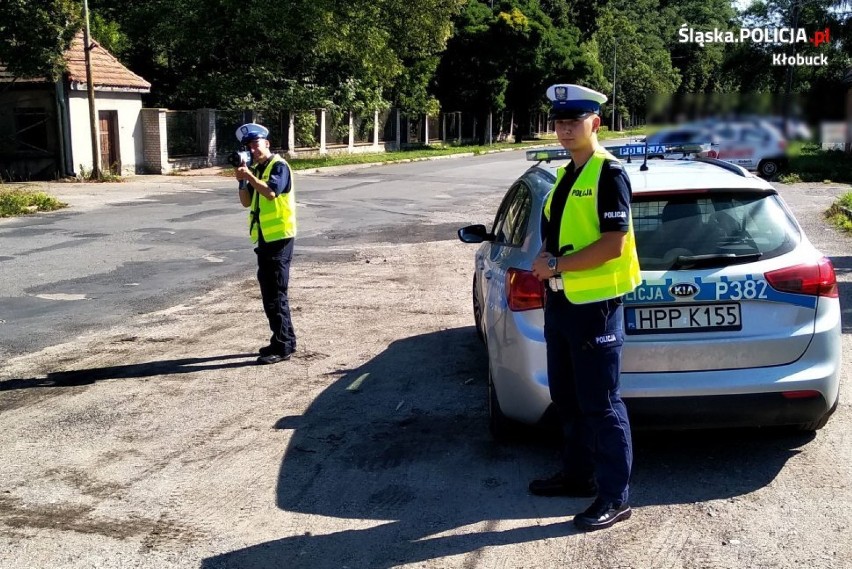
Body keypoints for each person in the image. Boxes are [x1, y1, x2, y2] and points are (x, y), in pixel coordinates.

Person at [528, 84, 642, 531]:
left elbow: (613, 245)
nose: (564, 128)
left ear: (596, 123)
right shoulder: (566, 175)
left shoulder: (608, 173)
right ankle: (577, 476)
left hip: (595, 307)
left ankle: (615, 497)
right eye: (558, 121)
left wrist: (556, 263)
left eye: (574, 120)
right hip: (562, 302)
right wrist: (548, 266)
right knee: (568, 398)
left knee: (601, 404)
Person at [234, 123, 297, 365]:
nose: (253, 149)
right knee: (269, 294)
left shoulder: (278, 166)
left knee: (276, 295)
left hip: (279, 239)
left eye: (256, 144)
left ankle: (283, 347)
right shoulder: (257, 170)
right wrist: (242, 180)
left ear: (267, 144)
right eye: (249, 146)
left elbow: (271, 193)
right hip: (264, 239)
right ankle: (283, 339)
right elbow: (246, 202)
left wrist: (248, 175)